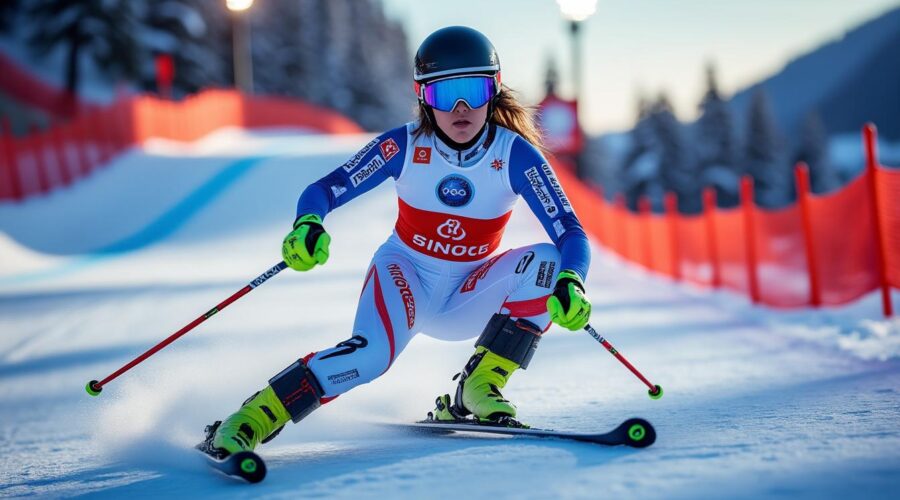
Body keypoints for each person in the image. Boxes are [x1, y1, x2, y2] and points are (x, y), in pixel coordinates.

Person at [200, 26, 592, 457]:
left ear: (494, 90)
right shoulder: (403, 146)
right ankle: (251, 419)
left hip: (468, 294)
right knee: (370, 358)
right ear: (423, 96)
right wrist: (308, 223)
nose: (460, 108)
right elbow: (326, 189)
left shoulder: (515, 155)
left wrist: (572, 281)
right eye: (445, 94)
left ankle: (479, 387)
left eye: (473, 91)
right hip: (405, 275)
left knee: (549, 263)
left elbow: (570, 231)